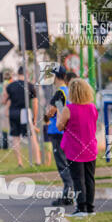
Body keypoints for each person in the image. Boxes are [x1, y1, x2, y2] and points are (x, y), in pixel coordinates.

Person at [57, 78, 98, 217]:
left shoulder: (69, 109)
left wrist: (59, 112)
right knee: (89, 178)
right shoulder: (92, 108)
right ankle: (90, 208)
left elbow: (60, 126)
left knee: (78, 179)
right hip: (90, 148)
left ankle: (81, 208)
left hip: (75, 150)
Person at [44, 65, 74, 206]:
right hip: (67, 131)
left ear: (56, 77)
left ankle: (68, 194)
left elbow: (52, 111)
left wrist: (48, 114)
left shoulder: (59, 92)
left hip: (57, 132)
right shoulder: (68, 91)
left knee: (62, 164)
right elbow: (64, 110)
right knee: (68, 163)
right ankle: (70, 192)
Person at [1, 67, 41, 166]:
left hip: (13, 113)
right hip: (25, 113)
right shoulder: (30, 86)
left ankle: (20, 162)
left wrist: (4, 91)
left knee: (16, 138)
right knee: (31, 137)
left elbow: (4, 101)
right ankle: (37, 161)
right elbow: (35, 103)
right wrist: (35, 119)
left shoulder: (10, 86)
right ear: (26, 74)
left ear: (17, 74)